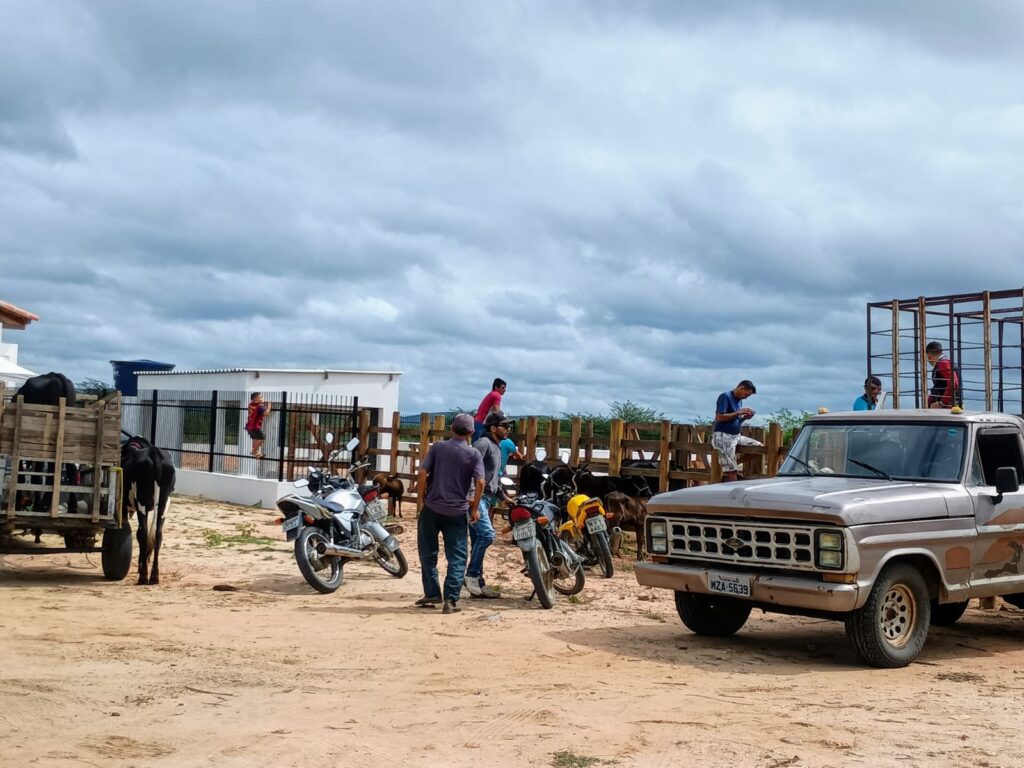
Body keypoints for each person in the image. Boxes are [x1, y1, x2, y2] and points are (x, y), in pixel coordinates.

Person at [416, 413, 485, 614]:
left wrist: (421, 500)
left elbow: (422, 472)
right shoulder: (474, 454)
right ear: (471, 432)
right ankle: (451, 600)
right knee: (457, 557)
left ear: (452, 428)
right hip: (457, 512)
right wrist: (474, 508)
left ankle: (432, 593)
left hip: (432, 508)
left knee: (428, 553)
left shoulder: (438, 448)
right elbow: (481, 482)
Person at [465, 410, 514, 598]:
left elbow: (493, 477)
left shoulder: (497, 447)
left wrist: (503, 496)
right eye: (505, 426)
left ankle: (478, 582)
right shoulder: (483, 443)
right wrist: (472, 497)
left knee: (478, 540)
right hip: (477, 500)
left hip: (486, 499)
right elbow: (469, 469)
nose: (508, 429)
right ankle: (471, 576)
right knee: (487, 535)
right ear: (493, 428)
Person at [711, 380, 761, 482]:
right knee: (732, 471)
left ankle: (731, 464)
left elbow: (735, 420)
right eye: (746, 395)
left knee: (759, 448)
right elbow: (719, 417)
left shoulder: (739, 401)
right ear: (741, 388)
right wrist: (738, 412)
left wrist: (745, 417)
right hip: (723, 435)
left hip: (735, 436)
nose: (746, 397)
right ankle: (732, 484)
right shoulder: (725, 397)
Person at [926, 341, 960, 409]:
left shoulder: (943, 363)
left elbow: (954, 383)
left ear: (929, 356)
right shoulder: (944, 362)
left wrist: (942, 403)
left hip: (945, 408)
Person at [246, 393, 271, 458]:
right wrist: (269, 407)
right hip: (255, 427)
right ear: (255, 399)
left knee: (255, 438)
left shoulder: (251, 404)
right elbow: (267, 413)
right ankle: (254, 450)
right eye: (260, 397)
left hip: (249, 426)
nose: (262, 398)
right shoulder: (259, 407)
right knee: (262, 437)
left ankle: (256, 453)